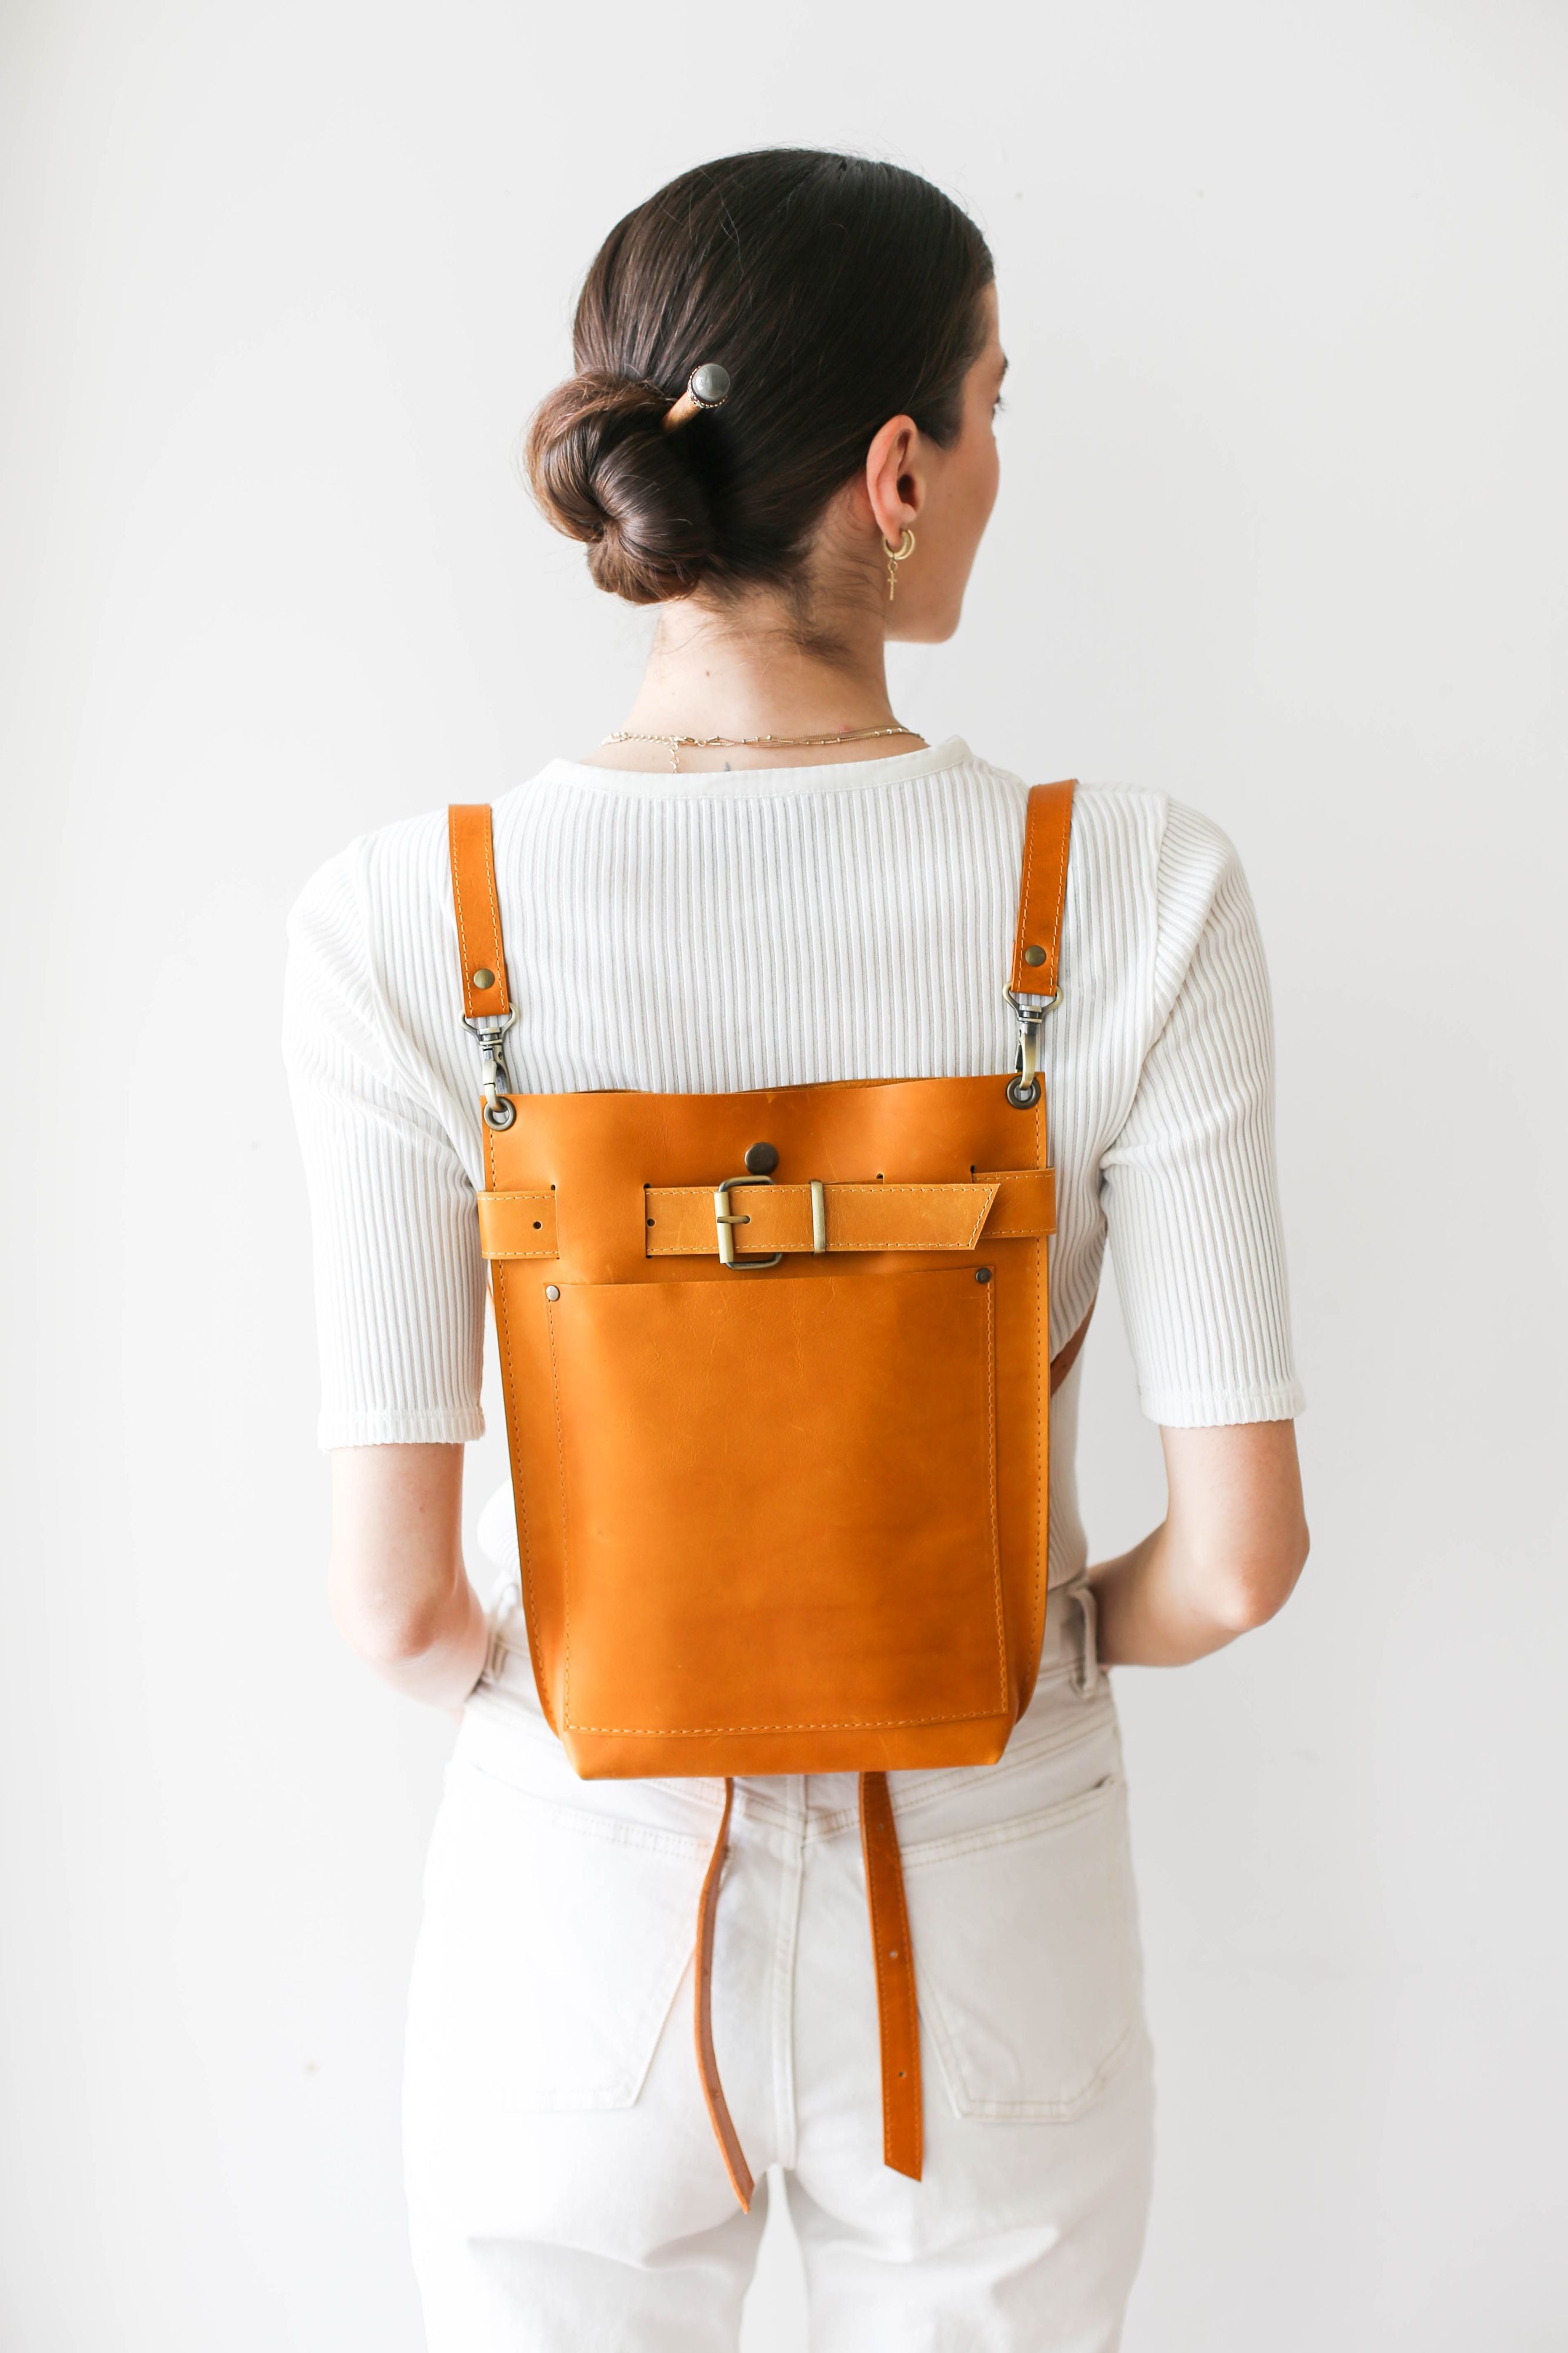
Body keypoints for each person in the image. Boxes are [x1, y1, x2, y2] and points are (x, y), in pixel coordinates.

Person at [283, 147, 1309, 2353]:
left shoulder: (401, 920)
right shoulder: (1136, 891)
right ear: (897, 472)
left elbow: (397, 1611)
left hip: (576, 1902)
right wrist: (1003, 1644)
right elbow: (1235, 1565)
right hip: (990, 1895)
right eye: (996, 407)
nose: (1001, 462)